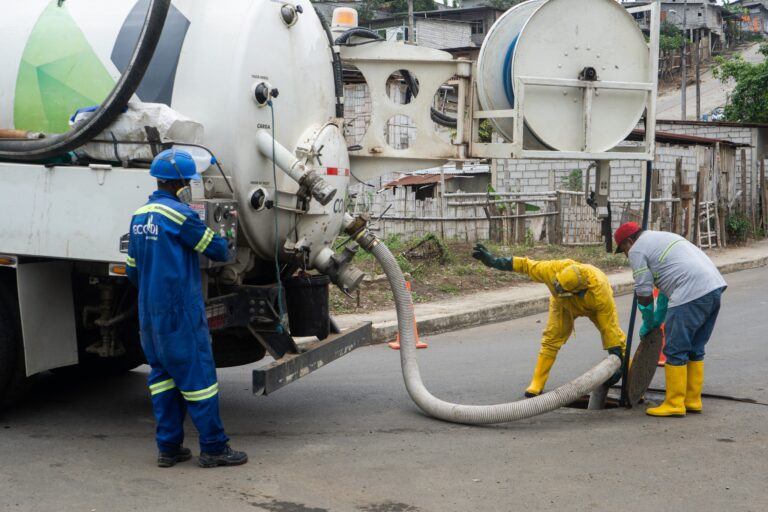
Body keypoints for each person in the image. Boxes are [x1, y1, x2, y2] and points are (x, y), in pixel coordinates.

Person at [126, 148, 247, 467]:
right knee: (200, 381)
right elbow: (218, 249)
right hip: (180, 314)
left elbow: (132, 270)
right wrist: (229, 228)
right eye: (188, 182)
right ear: (180, 183)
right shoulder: (180, 215)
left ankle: (168, 448)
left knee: (163, 379)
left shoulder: (139, 216)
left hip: (150, 317)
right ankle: (214, 448)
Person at [472, 244, 626, 397]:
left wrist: (615, 359)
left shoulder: (600, 291)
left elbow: (609, 328)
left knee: (618, 340)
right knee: (551, 339)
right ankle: (537, 383)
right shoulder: (552, 270)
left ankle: (628, 373)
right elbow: (526, 265)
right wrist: (495, 262)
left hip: (593, 308)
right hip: (563, 305)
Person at [614, 222, 726, 417]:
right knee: (695, 347)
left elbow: (643, 290)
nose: (626, 255)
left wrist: (648, 320)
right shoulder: (662, 238)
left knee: (675, 349)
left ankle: (674, 403)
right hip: (714, 287)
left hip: (690, 292)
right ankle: (692, 400)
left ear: (629, 241)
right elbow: (666, 291)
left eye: (623, 249)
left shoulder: (637, 249)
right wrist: (658, 319)